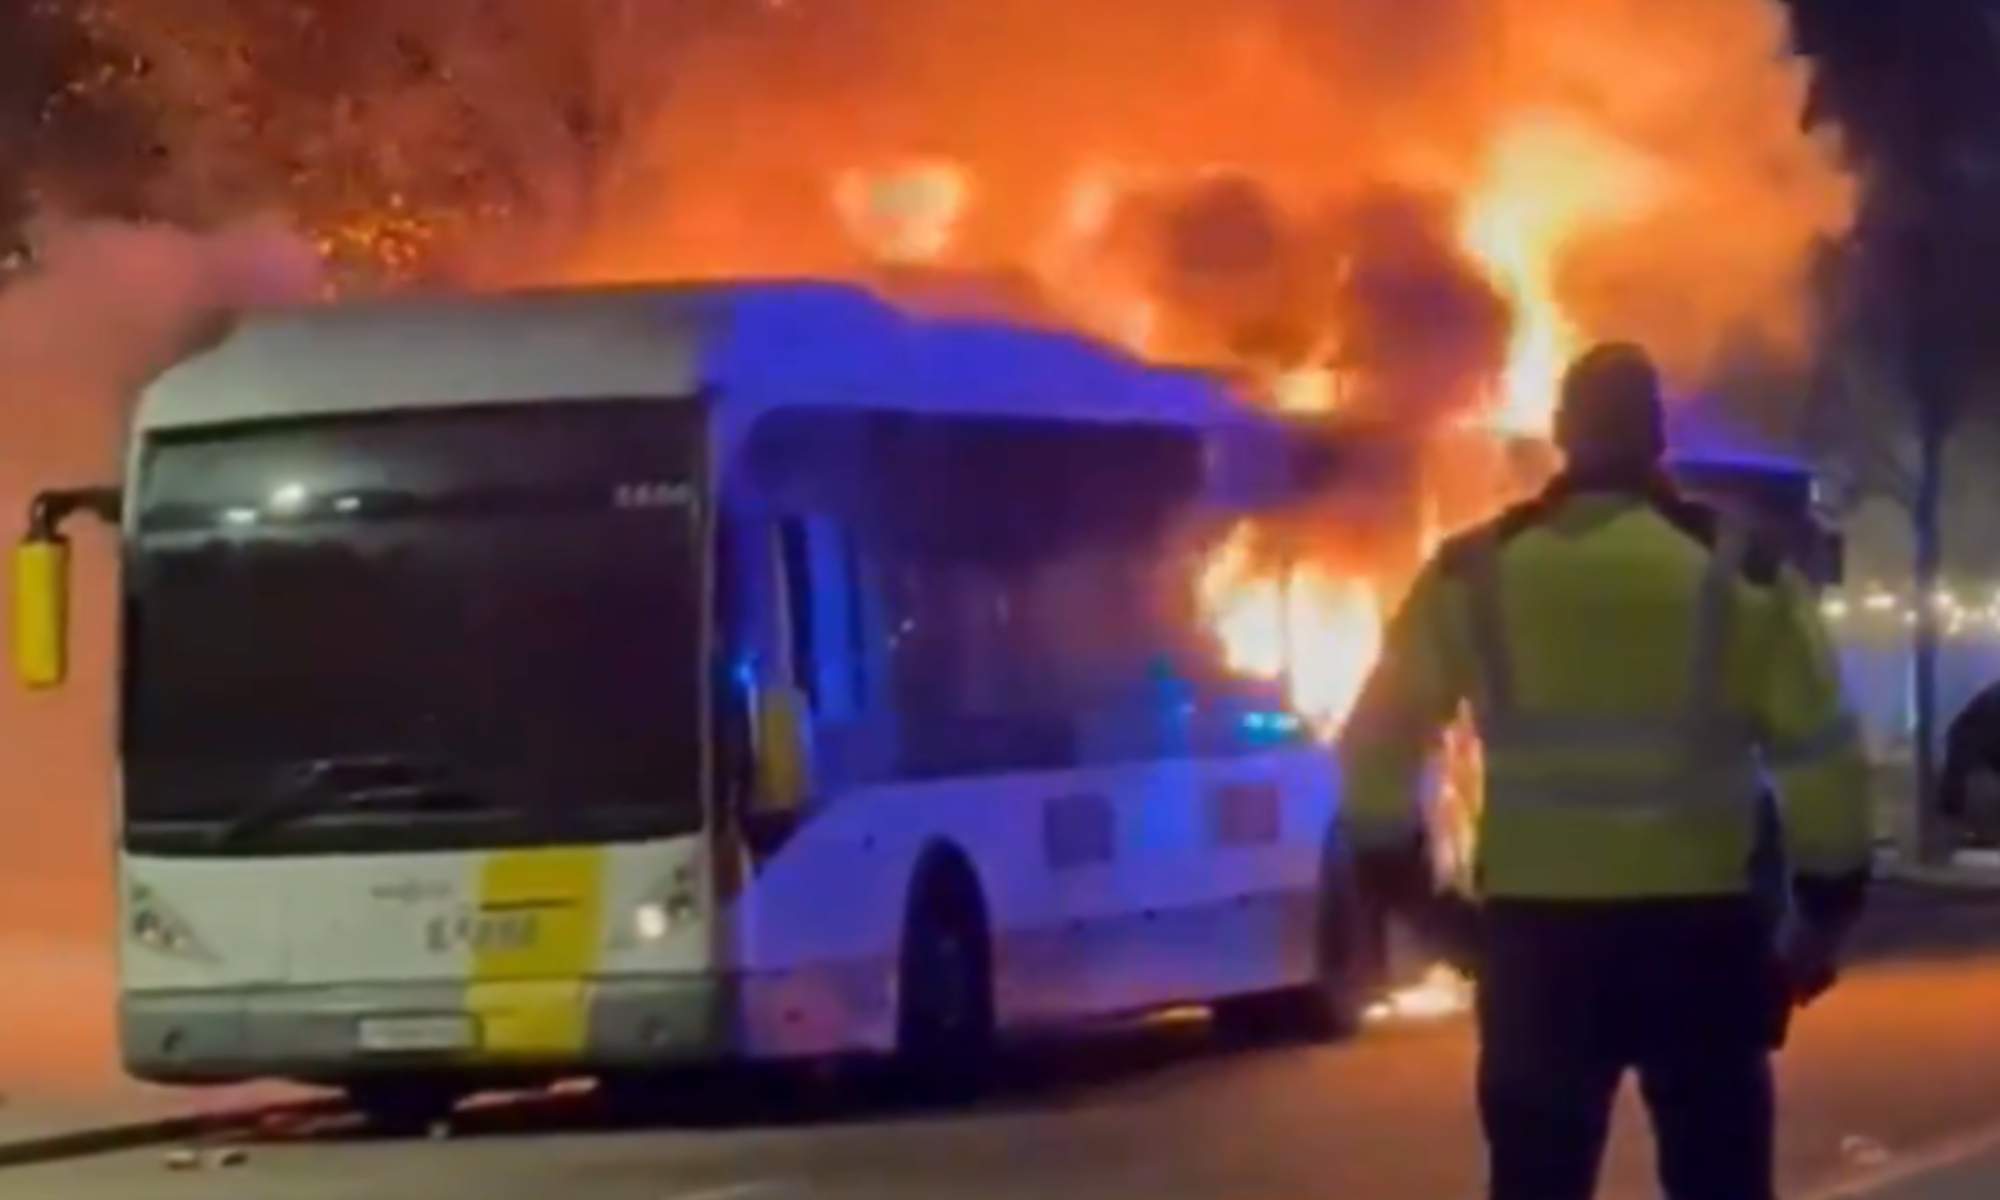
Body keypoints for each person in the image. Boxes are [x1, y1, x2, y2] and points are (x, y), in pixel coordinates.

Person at [1339, 343, 1872, 1200]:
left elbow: (1376, 745)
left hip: (1538, 949)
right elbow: (1825, 762)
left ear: (1561, 434)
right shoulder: (1742, 574)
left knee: (1538, 1181)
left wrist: (1416, 895)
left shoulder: (1472, 573)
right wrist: (1819, 925)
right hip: (1701, 943)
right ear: (1658, 437)